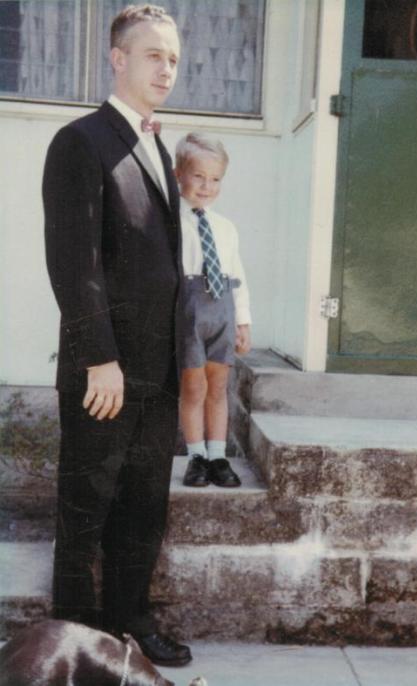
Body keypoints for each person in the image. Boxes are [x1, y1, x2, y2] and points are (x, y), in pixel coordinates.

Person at [42, 4, 192, 668]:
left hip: (156, 378)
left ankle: (130, 628)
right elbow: (75, 263)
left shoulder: (158, 146)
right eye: (155, 54)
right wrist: (99, 357)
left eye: (175, 59)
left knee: (142, 512)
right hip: (104, 374)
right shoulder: (81, 142)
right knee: (87, 512)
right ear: (119, 59)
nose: (168, 68)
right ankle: (74, 644)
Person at [175, 133, 252, 488]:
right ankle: (197, 457)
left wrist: (243, 321)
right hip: (188, 312)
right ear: (179, 174)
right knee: (193, 387)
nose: (207, 186)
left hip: (221, 312)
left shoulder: (226, 228)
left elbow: (237, 276)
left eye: (215, 178)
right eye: (198, 176)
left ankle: (219, 456)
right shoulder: (170, 223)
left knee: (219, 387)